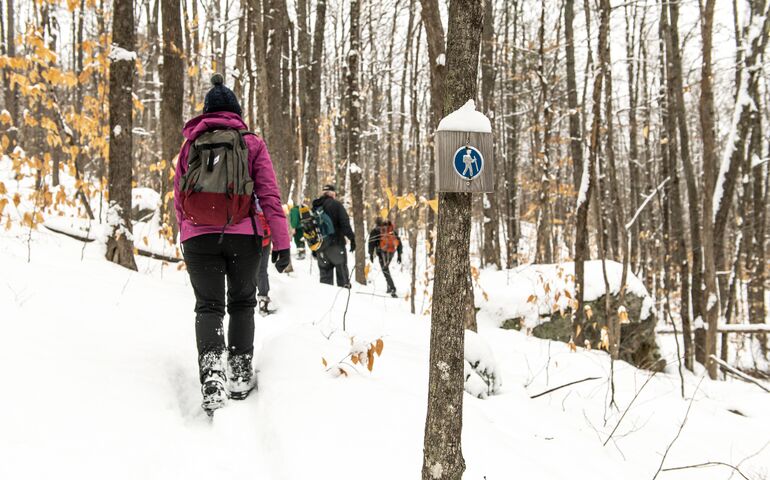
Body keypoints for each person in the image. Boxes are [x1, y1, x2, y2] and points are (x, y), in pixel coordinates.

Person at [174, 73, 291, 415]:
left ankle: (212, 376)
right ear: (237, 112)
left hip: (198, 237)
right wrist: (281, 244)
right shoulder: (251, 143)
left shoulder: (190, 144)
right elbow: (269, 195)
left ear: (206, 112)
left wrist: (187, 232)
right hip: (245, 237)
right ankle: (239, 373)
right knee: (242, 303)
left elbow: (180, 196)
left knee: (208, 306)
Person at [311, 184, 355, 287]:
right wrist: (352, 239)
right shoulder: (337, 205)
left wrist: (314, 249)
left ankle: (327, 302)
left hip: (321, 248)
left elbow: (312, 229)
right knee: (343, 278)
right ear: (332, 193)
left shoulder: (315, 207)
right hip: (336, 246)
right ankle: (344, 302)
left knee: (325, 281)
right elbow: (345, 224)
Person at [367, 218, 402, 297]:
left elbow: (371, 243)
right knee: (386, 269)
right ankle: (389, 287)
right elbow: (399, 243)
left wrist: (371, 254)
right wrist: (399, 255)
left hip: (381, 253)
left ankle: (392, 288)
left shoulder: (375, 231)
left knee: (385, 270)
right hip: (391, 252)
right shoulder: (391, 230)